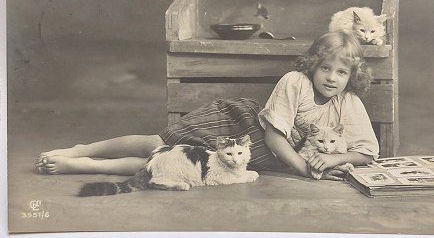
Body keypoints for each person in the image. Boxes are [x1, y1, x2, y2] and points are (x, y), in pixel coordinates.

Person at [35, 32, 379, 180]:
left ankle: (84, 166)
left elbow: (367, 151)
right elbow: (275, 140)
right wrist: (306, 170)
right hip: (239, 132)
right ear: (313, 65)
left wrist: (335, 158)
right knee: (157, 144)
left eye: (342, 72)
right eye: (325, 68)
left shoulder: (348, 102)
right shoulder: (296, 81)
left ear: (353, 75)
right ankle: (83, 149)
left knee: (164, 166)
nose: (332, 78)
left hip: (251, 161)